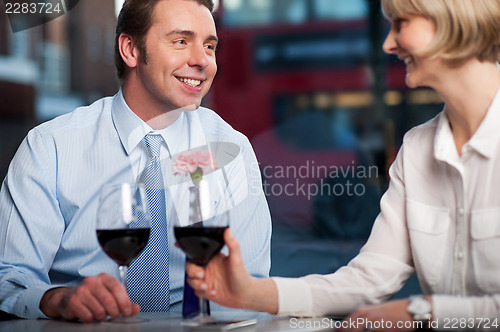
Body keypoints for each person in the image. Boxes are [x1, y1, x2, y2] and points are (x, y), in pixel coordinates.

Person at [186, 0, 500, 330]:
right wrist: (249, 293)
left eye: (401, 23)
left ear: (450, 20)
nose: (388, 43)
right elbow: (368, 280)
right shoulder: (418, 149)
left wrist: (423, 311)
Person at [0, 0, 271, 323]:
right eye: (181, 41)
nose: (203, 61)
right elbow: (10, 279)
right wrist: (55, 299)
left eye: (209, 46)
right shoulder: (50, 148)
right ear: (130, 50)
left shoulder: (231, 151)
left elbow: (251, 293)